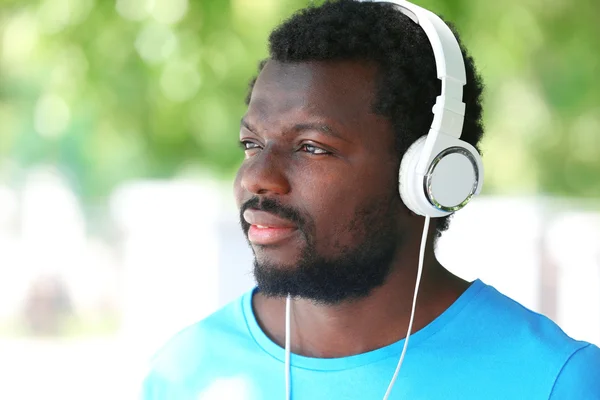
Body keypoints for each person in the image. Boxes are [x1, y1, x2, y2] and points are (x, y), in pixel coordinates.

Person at [141, 1, 600, 399]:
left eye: (312, 147)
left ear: (426, 174)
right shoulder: (185, 372)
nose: (258, 178)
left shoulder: (556, 381)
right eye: (251, 144)